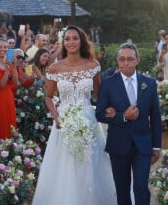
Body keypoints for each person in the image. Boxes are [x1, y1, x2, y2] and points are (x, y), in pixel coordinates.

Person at [32, 25, 117, 205]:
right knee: (66, 165)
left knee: (90, 163)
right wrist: (57, 118)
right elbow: (48, 97)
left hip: (88, 120)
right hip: (63, 122)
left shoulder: (93, 65)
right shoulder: (55, 68)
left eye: (75, 38)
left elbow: (98, 94)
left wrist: (108, 108)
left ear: (81, 41)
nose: (71, 42)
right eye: (68, 39)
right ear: (63, 42)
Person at [96, 42, 162, 205]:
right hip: (118, 144)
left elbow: (155, 116)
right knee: (122, 189)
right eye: (122, 59)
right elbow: (99, 113)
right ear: (118, 61)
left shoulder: (150, 83)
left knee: (140, 187)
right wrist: (122, 116)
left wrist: (156, 146)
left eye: (130, 59)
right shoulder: (108, 83)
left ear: (137, 60)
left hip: (143, 144)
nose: (125, 63)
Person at [0, 38, 18, 139]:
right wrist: (6, 69)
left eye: (5, 47)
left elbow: (15, 82)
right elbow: (0, 85)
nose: (3, 49)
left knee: (10, 124)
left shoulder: (9, 63)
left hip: (9, 97)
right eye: (0, 47)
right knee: (0, 124)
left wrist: (13, 67)